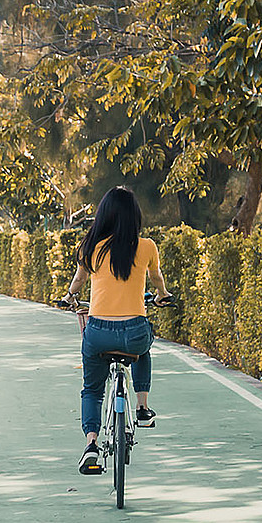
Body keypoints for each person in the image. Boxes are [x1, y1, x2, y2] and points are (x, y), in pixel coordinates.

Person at [61, 186, 173, 475]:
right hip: (133, 331)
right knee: (144, 347)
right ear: (135, 216)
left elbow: (77, 282)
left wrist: (69, 297)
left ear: (103, 216)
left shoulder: (91, 247)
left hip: (98, 332)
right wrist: (161, 295)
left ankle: (91, 445)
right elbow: (157, 279)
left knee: (92, 389)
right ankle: (142, 408)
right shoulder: (147, 246)